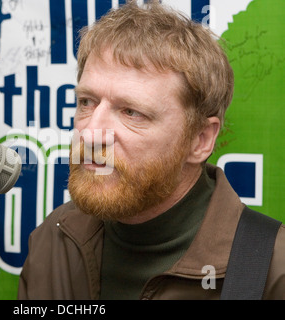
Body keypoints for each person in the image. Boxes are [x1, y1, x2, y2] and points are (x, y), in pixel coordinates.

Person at [17, 1, 285, 299]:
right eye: (86, 102)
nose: (91, 134)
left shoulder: (271, 270)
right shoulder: (54, 241)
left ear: (200, 140)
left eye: (131, 112)